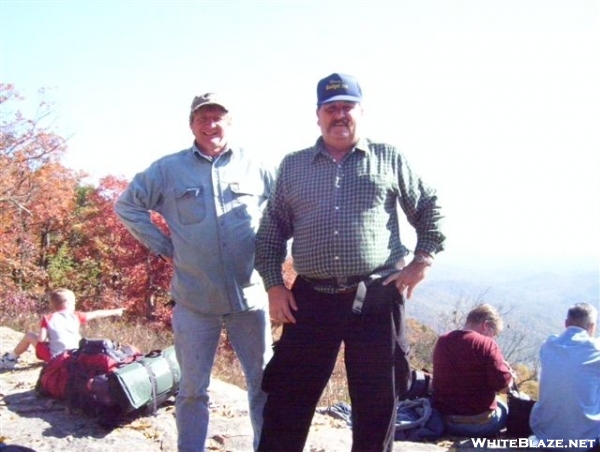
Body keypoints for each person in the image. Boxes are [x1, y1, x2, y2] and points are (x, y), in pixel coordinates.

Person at [255, 73, 446, 452]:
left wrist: (423, 258)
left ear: (361, 111)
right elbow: (272, 230)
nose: (339, 115)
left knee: (377, 404)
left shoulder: (389, 157)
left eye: (346, 106)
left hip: (377, 296)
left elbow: (429, 207)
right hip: (309, 299)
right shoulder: (293, 166)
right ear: (317, 115)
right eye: (331, 108)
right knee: (288, 401)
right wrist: (274, 285)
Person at [114, 92, 274, 452]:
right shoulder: (168, 170)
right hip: (194, 301)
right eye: (202, 118)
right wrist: (166, 246)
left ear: (229, 123)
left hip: (250, 299)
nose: (210, 124)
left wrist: (270, 251)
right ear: (191, 124)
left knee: (263, 385)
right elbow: (127, 206)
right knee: (191, 391)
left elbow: (284, 213)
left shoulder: (257, 166)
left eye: (218, 117)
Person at [432, 303, 513, 437]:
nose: (493, 337)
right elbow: (503, 388)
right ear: (486, 325)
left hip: (444, 420)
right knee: (504, 407)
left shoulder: (443, 340)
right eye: (495, 333)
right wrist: (509, 375)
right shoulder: (487, 344)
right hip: (476, 426)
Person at [529, 302, 600, 448]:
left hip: (544, 433)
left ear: (566, 323)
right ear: (592, 327)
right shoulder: (596, 351)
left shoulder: (547, 345)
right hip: (585, 439)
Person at [0, 288, 124, 370]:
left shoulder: (48, 318)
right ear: (70, 303)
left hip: (55, 358)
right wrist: (116, 311)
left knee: (29, 336)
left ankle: (11, 358)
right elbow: (96, 313)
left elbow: (41, 339)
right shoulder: (76, 316)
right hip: (74, 355)